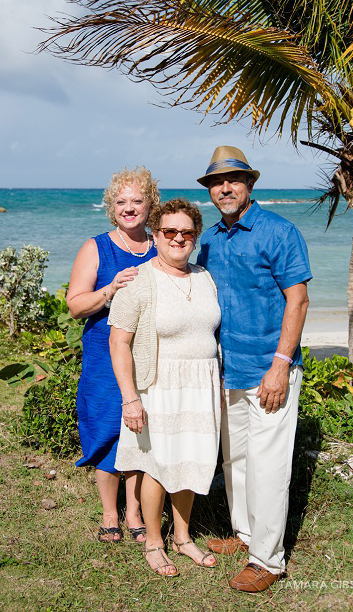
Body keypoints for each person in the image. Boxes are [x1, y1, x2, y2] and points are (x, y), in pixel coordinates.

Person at [195, 146, 311, 593]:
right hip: (227, 370)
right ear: (210, 191)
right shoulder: (208, 241)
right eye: (216, 183)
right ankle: (245, 535)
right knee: (236, 460)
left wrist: (281, 366)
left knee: (268, 466)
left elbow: (297, 301)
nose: (225, 188)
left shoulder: (279, 232)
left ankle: (268, 560)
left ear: (249, 185)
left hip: (269, 370)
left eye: (234, 180)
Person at [108, 199, 221, 577]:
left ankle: (183, 537)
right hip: (159, 386)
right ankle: (155, 541)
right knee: (158, 466)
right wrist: (130, 399)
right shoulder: (138, 280)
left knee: (191, 460)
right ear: (155, 235)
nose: (178, 238)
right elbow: (119, 343)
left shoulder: (204, 277)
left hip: (200, 385)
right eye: (169, 231)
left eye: (186, 232)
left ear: (195, 237)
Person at [66, 167, 158, 543]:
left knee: (141, 434)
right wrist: (109, 289)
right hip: (105, 356)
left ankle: (135, 510)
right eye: (121, 202)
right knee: (107, 430)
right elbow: (75, 305)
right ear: (111, 208)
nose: (129, 208)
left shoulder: (162, 244)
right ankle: (110, 512)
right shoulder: (96, 247)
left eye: (137, 200)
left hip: (150, 354)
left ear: (151, 204)